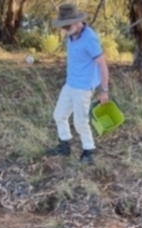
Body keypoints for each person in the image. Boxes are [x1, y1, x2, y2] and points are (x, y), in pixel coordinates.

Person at [47, 3, 109, 164]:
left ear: (76, 21)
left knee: (80, 122)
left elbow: (102, 66)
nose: (64, 29)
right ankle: (64, 145)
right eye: (63, 26)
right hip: (70, 83)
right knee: (59, 115)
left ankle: (89, 151)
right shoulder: (71, 34)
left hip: (83, 87)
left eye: (66, 25)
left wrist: (104, 90)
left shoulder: (90, 38)